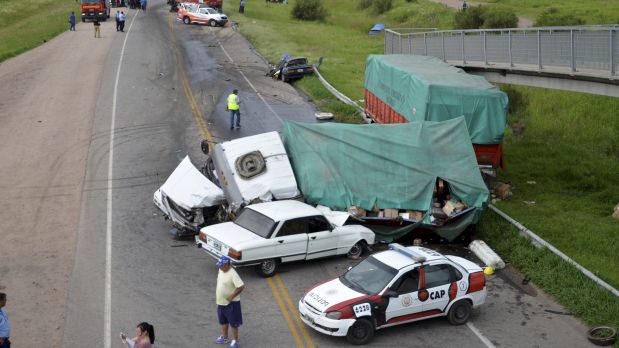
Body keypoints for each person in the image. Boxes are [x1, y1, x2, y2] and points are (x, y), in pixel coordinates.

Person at [214, 256, 244, 348]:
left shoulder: (233, 274)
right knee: (223, 321)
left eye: (222, 265)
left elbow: (241, 286)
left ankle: (236, 341)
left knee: (233, 323)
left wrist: (231, 296)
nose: (220, 267)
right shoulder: (221, 270)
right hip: (220, 302)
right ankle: (225, 337)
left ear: (227, 264)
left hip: (231, 303)